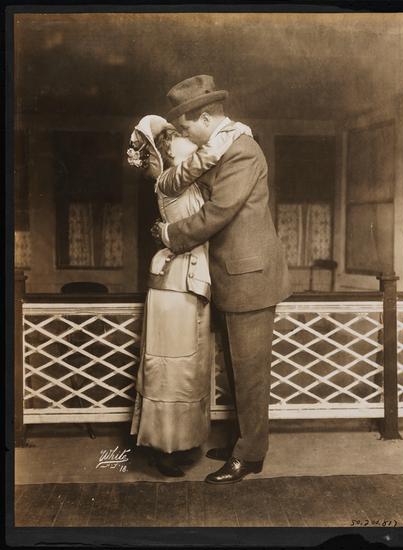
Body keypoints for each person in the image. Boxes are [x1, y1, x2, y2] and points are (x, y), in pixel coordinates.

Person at [153, 75, 291, 484]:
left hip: (250, 277)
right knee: (236, 369)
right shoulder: (220, 147)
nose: (185, 136)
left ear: (206, 118)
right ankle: (243, 442)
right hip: (234, 274)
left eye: (186, 128)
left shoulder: (241, 150)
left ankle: (250, 455)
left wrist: (169, 235)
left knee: (250, 373)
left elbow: (218, 213)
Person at [128, 114, 252, 477]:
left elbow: (204, 163)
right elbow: (206, 157)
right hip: (175, 283)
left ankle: (182, 443)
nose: (150, 164)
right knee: (172, 365)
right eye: (172, 145)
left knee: (189, 365)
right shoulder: (170, 182)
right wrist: (237, 131)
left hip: (188, 279)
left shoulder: (180, 179)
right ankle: (165, 447)